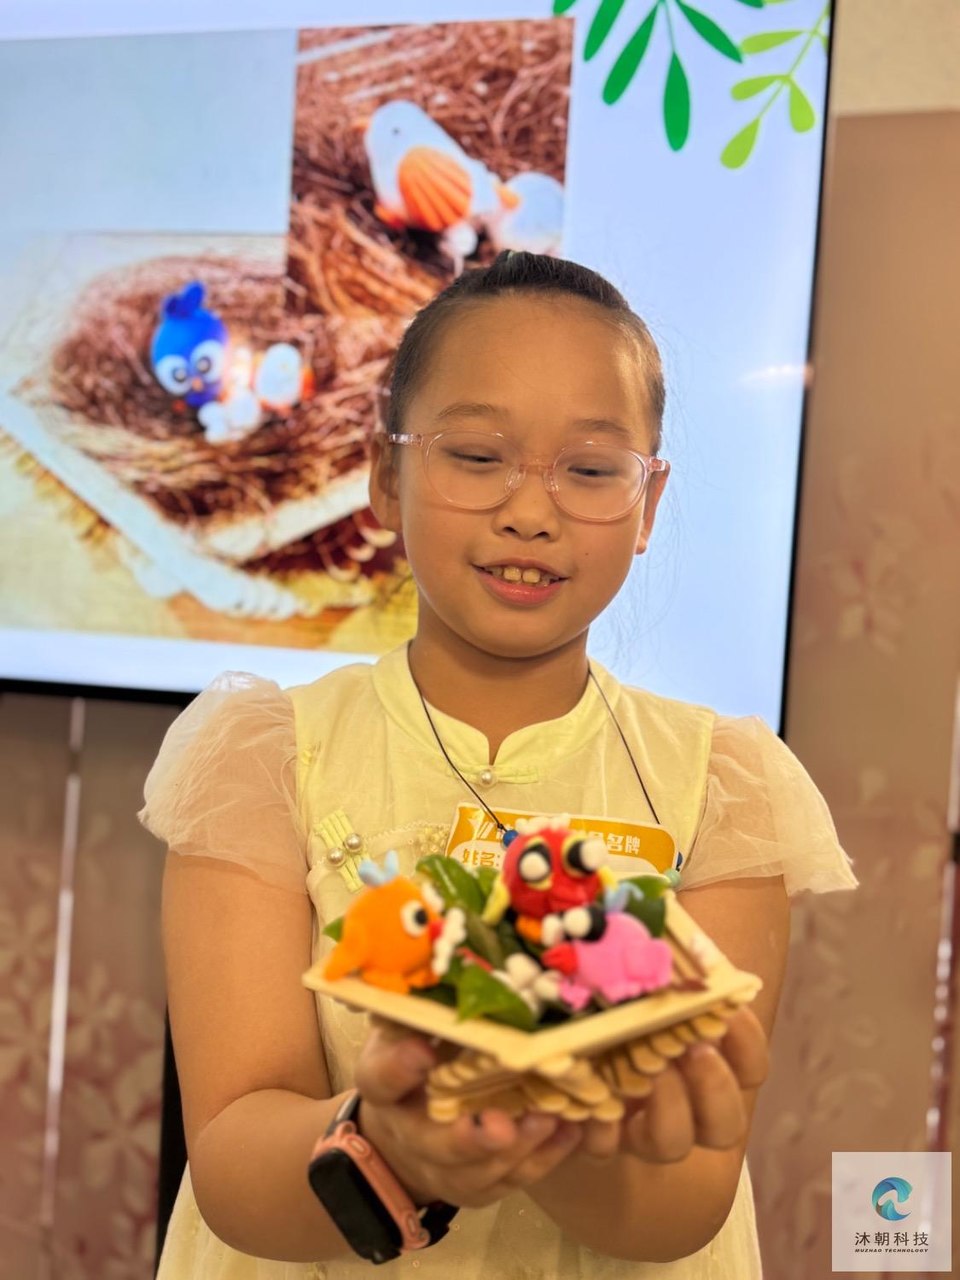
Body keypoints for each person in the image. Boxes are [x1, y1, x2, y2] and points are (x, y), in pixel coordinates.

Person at [139, 250, 858, 1278]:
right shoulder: (263, 759)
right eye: (478, 455)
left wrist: (527, 1107)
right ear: (385, 475)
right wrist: (394, 1144)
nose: (532, 509)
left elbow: (685, 1203)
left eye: (591, 470)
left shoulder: (722, 782)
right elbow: (233, 1157)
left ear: (649, 503)